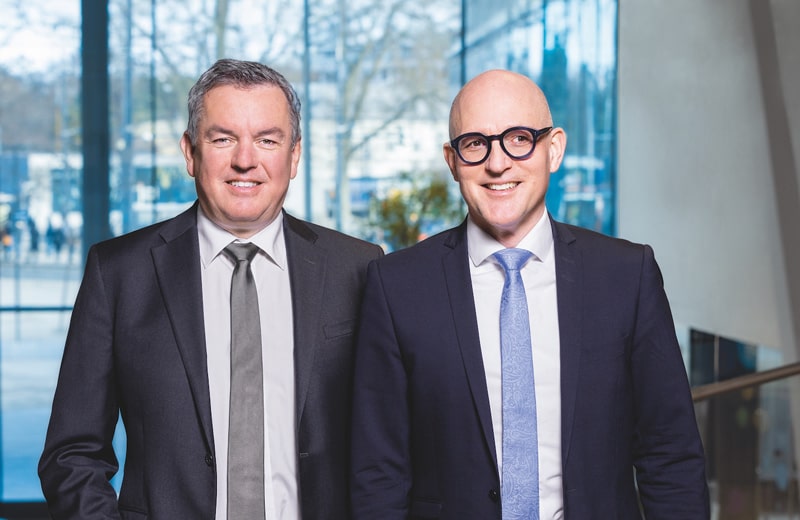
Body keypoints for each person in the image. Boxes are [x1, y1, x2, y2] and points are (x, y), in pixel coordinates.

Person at [350, 69, 709, 519]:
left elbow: (670, 456)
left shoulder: (626, 275)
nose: (498, 164)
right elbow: (378, 474)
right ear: (452, 160)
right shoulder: (396, 286)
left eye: (519, 139)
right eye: (475, 143)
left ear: (553, 149)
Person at [39, 58, 383, 520]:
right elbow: (71, 454)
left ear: (295, 155)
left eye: (267, 140)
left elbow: (393, 446)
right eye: (223, 139)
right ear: (190, 152)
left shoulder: (358, 268)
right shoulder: (119, 272)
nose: (246, 159)